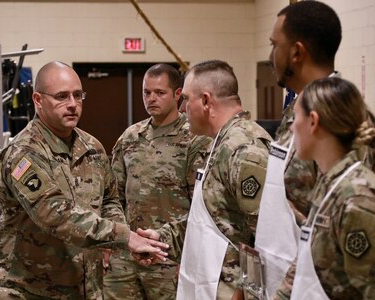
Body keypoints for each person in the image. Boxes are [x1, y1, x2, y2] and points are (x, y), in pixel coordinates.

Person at [0, 61, 168, 299]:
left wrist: (114, 241)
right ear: (38, 100)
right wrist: (125, 237)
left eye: (78, 95)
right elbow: (54, 214)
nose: (73, 105)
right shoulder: (24, 154)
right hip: (29, 289)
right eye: (62, 96)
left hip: (84, 287)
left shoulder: (92, 147)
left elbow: (109, 200)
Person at [248, 2, 375, 299]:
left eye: (273, 45)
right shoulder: (297, 110)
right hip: (289, 278)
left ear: (296, 52)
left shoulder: (348, 121)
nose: (270, 57)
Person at [137, 60, 272, 299]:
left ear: (207, 101)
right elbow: (214, 219)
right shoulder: (221, 142)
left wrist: (245, 291)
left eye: (187, 99)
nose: (183, 108)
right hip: (212, 284)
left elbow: (265, 236)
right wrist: (163, 237)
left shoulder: (243, 148)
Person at [103, 63, 210, 300]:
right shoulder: (131, 137)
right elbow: (112, 196)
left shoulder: (194, 138)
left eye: (160, 93)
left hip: (169, 257)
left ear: (177, 94)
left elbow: (201, 206)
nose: (151, 98)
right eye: (146, 92)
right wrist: (113, 241)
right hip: (127, 256)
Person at [290, 77, 375, 299]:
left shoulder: (357, 199)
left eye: (294, 117)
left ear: (313, 122)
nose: (291, 127)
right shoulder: (329, 182)